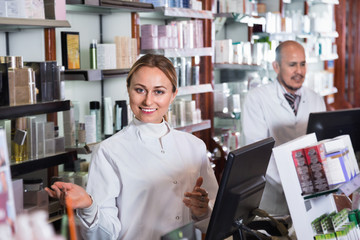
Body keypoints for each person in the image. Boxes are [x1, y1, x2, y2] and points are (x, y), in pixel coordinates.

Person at [46, 54, 219, 240]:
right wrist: (89, 206)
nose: (148, 101)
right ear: (128, 90)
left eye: (159, 91)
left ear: (173, 95)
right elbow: (104, 235)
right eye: (140, 90)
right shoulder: (109, 151)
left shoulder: (194, 146)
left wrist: (202, 211)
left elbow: (216, 218)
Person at [242, 40, 326, 216]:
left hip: (311, 194)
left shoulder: (315, 98)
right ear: (276, 66)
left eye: (303, 64)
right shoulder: (257, 98)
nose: (299, 71)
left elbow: (320, 145)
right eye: (292, 65)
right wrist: (292, 183)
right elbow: (259, 152)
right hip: (272, 198)